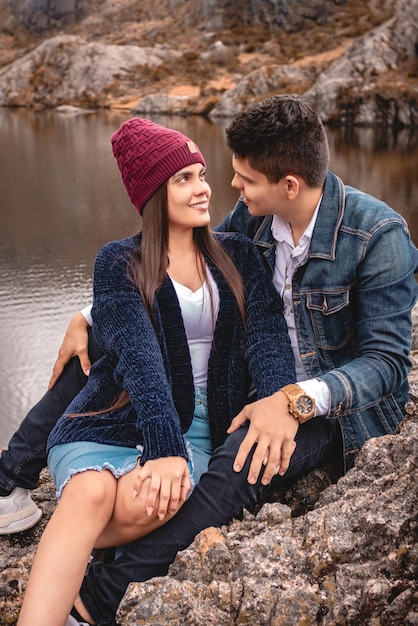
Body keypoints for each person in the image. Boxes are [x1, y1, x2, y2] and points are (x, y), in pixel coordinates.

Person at [3, 93, 418, 625]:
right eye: (203, 176)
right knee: (107, 371)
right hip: (244, 389)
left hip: (333, 405)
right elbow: (170, 264)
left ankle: (103, 593)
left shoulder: (378, 236)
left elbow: (386, 365)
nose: (230, 189)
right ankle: (14, 478)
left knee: (241, 459)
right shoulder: (253, 221)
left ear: (287, 184)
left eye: (242, 178)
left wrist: (291, 401)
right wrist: (92, 313)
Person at [16, 117, 295, 626]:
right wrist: (164, 447)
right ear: (151, 194)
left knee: (155, 503)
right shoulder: (118, 261)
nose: (203, 188)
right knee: (92, 490)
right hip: (116, 420)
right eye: (183, 179)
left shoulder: (237, 255)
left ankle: (71, 550)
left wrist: (276, 400)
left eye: (201, 174)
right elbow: (140, 362)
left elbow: (268, 339)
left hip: (204, 428)